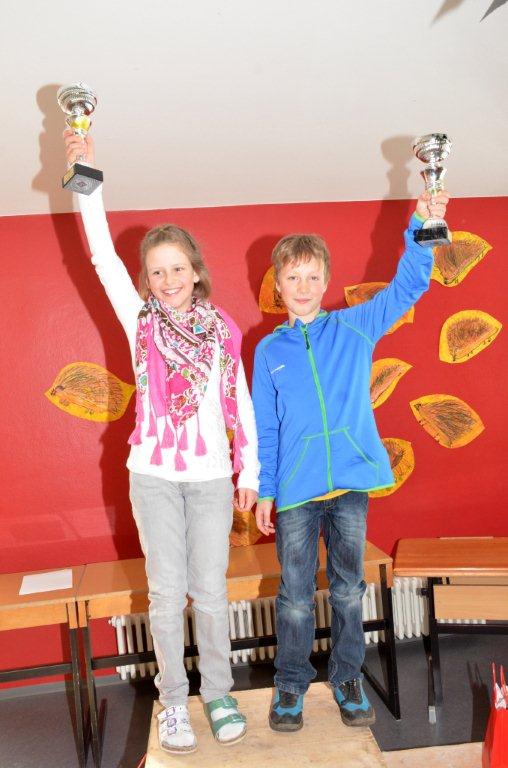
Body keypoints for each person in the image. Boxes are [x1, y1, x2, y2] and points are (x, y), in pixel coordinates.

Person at [63, 130, 260, 753]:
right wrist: (85, 175)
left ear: (196, 272)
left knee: (212, 592)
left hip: (210, 477)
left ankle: (219, 694)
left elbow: (240, 403)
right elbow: (101, 256)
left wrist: (251, 471)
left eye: (178, 268)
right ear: (146, 281)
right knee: (167, 593)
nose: (168, 278)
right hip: (152, 475)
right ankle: (174, 702)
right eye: (157, 271)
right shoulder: (139, 322)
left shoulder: (222, 333)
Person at [252, 190, 450, 731]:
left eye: (313, 276)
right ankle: (290, 684)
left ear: (326, 281)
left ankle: (347, 678)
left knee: (346, 590)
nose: (303, 287)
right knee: (295, 597)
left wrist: (422, 225)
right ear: (277, 284)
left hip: (350, 488)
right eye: (293, 277)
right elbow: (266, 429)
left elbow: (409, 286)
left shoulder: (355, 326)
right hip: (295, 492)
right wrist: (266, 489)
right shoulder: (268, 351)